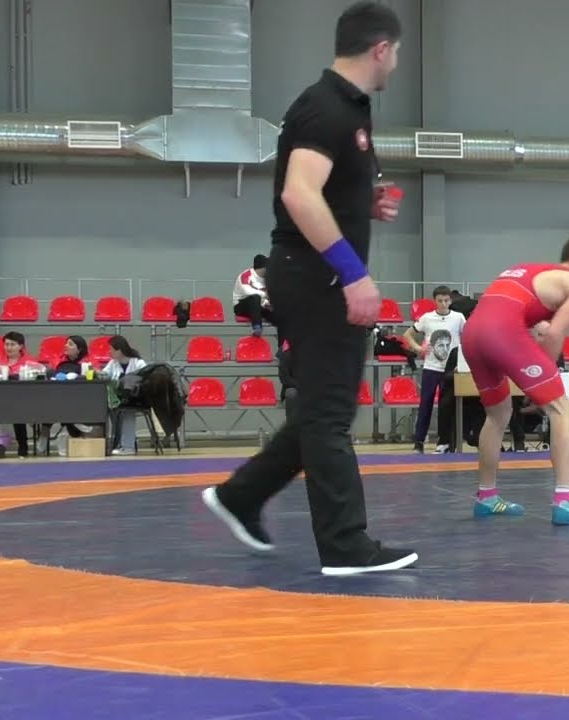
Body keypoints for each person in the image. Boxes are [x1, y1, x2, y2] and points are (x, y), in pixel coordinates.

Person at [200, 1, 418, 576]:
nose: (397, 63)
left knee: (325, 408)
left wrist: (361, 202)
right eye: (396, 52)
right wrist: (354, 273)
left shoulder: (346, 108)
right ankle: (345, 546)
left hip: (312, 271)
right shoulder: (327, 107)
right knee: (328, 417)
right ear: (380, 49)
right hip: (317, 275)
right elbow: (299, 193)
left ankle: (241, 495)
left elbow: (319, 189)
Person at [459, 234, 569, 526]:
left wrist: (537, 381)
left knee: (497, 415)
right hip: (500, 332)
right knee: (561, 408)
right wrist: (543, 382)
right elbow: (553, 333)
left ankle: (486, 497)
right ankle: (565, 502)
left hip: (472, 333)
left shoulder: (529, 269)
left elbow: (522, 316)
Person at [403, 285, 466, 453]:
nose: (443, 304)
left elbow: (468, 336)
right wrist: (419, 348)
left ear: (450, 301)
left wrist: (462, 360)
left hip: (450, 369)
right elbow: (407, 335)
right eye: (440, 301)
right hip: (431, 367)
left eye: (446, 300)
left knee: (447, 407)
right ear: (435, 301)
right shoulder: (427, 318)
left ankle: (445, 442)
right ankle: (419, 442)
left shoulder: (458, 317)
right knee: (426, 405)